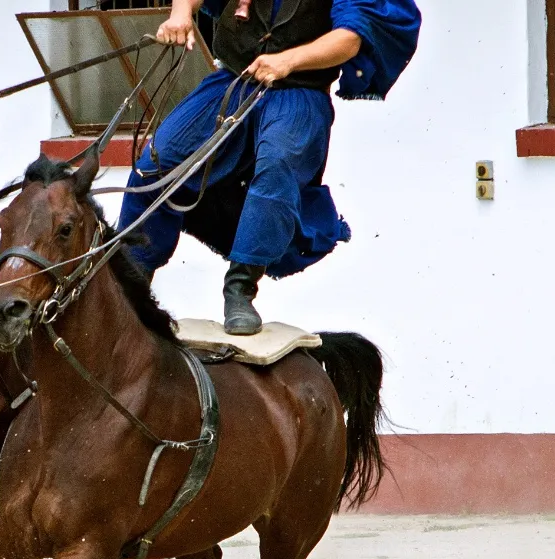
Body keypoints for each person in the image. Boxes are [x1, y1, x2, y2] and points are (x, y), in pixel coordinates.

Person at [119, 0, 420, 335]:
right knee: (157, 164)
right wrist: (180, 14)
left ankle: (240, 288)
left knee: (278, 165)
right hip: (233, 81)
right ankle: (130, 277)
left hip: (299, 92)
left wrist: (287, 61)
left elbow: (350, 38)